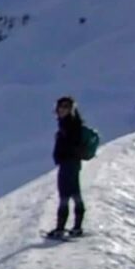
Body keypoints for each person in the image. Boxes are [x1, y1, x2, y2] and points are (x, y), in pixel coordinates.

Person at [48, 96, 87, 238]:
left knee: (65, 194)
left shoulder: (69, 125)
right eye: (60, 107)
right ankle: (76, 227)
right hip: (72, 163)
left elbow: (70, 144)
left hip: (68, 163)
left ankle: (60, 228)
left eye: (65, 107)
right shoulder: (72, 123)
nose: (61, 110)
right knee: (75, 193)